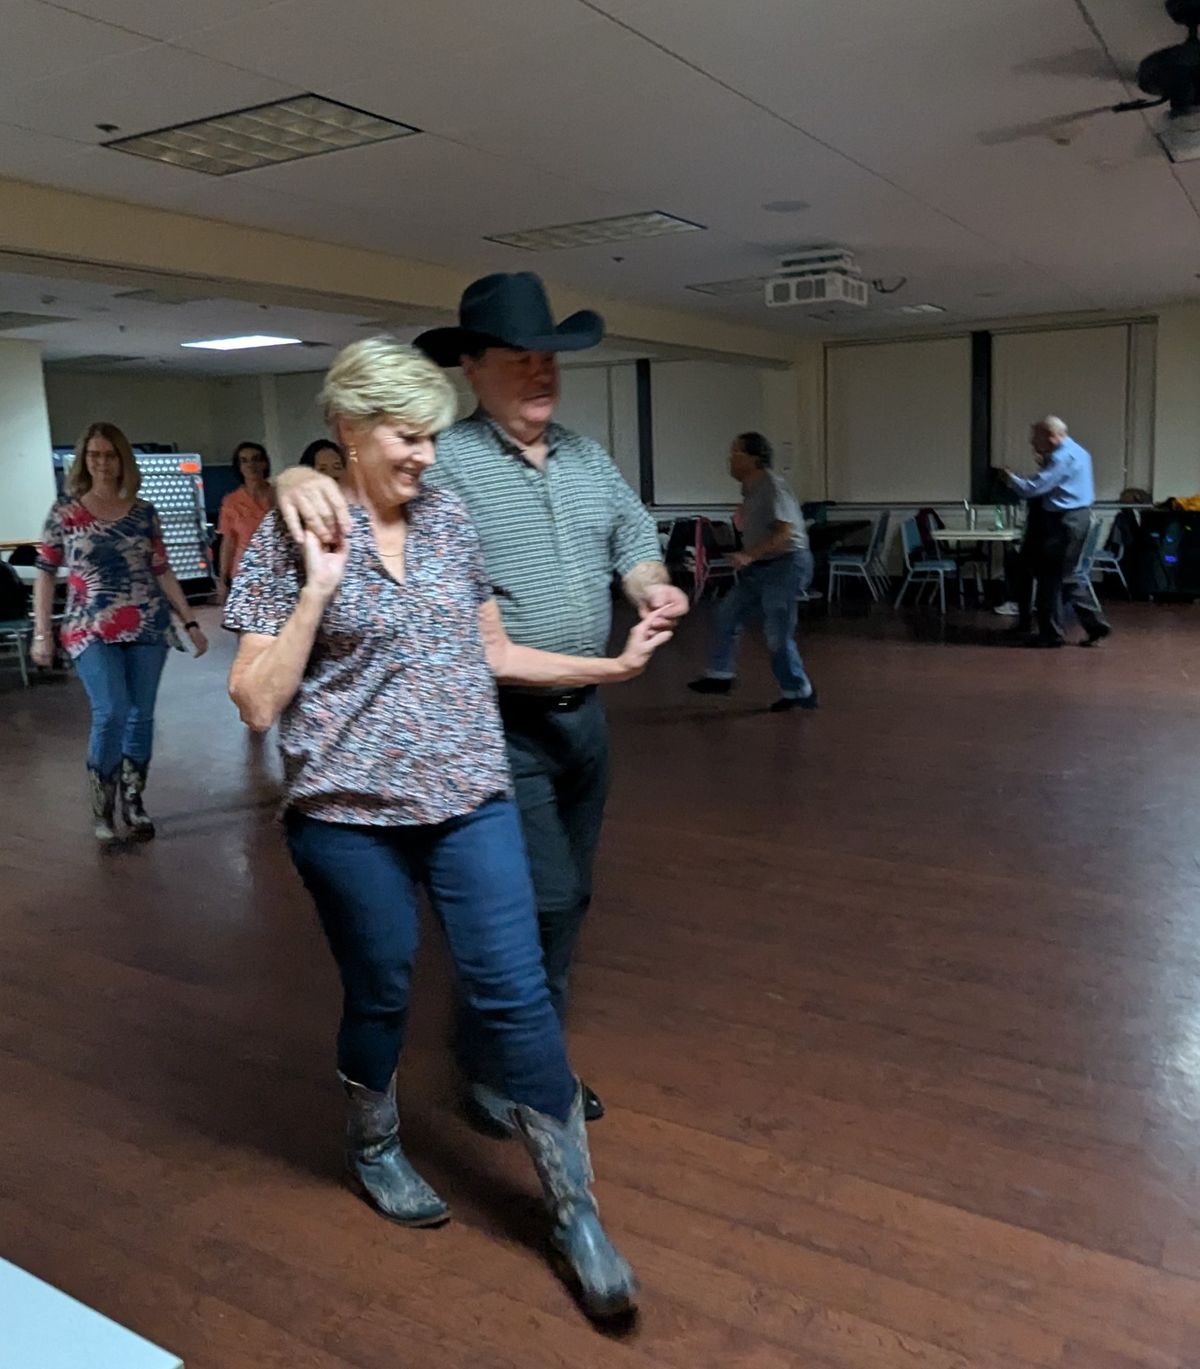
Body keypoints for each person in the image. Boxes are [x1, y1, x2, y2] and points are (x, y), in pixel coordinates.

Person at [227, 339, 673, 1317]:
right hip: (348, 819)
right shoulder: (289, 531)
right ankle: (375, 1142)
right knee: (382, 987)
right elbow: (257, 703)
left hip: (469, 800)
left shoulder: (447, 523)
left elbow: (498, 653)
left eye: (431, 435)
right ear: (348, 431)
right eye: (406, 435)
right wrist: (314, 585)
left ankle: (574, 1209)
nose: (425, 455)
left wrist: (617, 670)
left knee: (514, 991)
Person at [274, 272, 688, 1128]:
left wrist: (650, 586)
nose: (541, 373)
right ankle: (504, 1070)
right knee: (540, 898)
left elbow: (634, 534)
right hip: (494, 725)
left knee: (570, 896)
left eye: (550, 358)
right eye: (519, 359)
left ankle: (535, 1054)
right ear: (471, 367)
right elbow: (343, 480)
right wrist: (292, 477)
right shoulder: (441, 461)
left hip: (585, 721)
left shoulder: (583, 454)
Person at [31, 422, 209, 841]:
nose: (103, 463)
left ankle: (133, 798)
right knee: (110, 710)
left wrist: (190, 622)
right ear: (83, 461)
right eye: (94, 455)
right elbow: (44, 573)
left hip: (148, 623)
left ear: (122, 460)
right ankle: (102, 805)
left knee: (140, 716)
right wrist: (42, 632)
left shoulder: (144, 512)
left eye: (110, 455)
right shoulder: (65, 513)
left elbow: (161, 569)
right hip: (89, 627)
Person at [687, 432, 817, 711]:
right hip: (762, 565)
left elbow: (785, 534)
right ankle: (721, 675)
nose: (730, 460)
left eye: (735, 454)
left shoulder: (772, 486)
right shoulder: (750, 487)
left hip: (786, 564)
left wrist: (748, 555)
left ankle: (799, 691)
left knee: (776, 633)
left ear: (754, 458)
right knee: (727, 614)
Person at [999, 416, 1110, 647]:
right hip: (1072, 519)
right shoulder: (1077, 452)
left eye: (1035, 438)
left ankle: (1052, 634)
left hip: (1064, 522)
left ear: (1052, 436)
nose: (1032, 443)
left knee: (1053, 578)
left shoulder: (1062, 458)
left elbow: (1033, 489)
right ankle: (1093, 625)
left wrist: (1010, 478)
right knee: (1064, 576)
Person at [216, 441, 272, 600]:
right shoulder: (231, 501)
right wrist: (223, 579)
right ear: (238, 466)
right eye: (244, 461)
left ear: (264, 463)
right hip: (244, 574)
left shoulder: (280, 496)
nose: (251, 465)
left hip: (277, 571)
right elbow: (228, 542)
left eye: (256, 459)